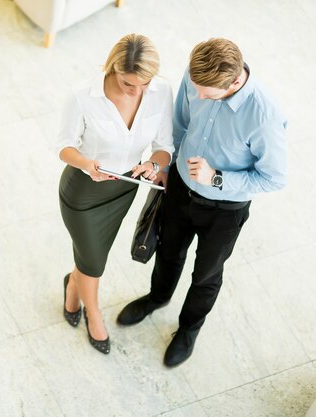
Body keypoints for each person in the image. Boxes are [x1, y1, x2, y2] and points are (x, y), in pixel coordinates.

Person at [117, 38, 287, 367]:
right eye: (194, 88)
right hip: (180, 187)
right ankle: (157, 298)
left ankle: (188, 329)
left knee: (206, 275)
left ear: (235, 82)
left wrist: (218, 177)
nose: (196, 96)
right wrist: (166, 167)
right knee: (167, 252)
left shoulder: (264, 117)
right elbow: (180, 124)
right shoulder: (197, 76)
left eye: (206, 94)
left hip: (225, 211)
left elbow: (274, 177)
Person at [56, 33, 174, 354]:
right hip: (83, 192)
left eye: (144, 84)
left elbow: (165, 147)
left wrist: (152, 162)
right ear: (113, 69)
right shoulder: (82, 96)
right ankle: (94, 314)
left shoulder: (161, 92)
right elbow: (64, 147)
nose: (137, 91)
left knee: (90, 256)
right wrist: (86, 162)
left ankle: (73, 285)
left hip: (124, 190)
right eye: (128, 84)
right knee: (94, 261)